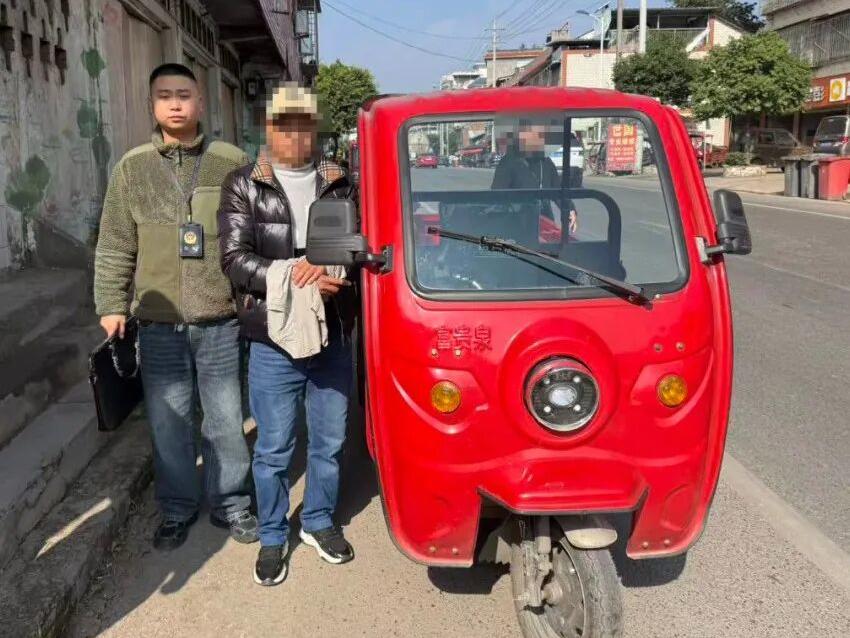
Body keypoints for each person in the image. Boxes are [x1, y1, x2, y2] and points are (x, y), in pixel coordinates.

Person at [94, 63, 257, 551]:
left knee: (225, 418)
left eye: (183, 94)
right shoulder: (132, 168)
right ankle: (178, 508)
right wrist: (111, 302)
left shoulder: (230, 161)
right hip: (158, 323)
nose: (175, 103)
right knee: (169, 423)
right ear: (152, 105)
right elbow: (115, 243)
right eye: (164, 95)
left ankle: (232, 503)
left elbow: (253, 232)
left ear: (201, 102)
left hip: (219, 319)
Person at [218, 84, 357, 586]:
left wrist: (336, 270)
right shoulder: (244, 184)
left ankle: (317, 521)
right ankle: (274, 534)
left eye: (304, 123)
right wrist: (297, 275)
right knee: (274, 446)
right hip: (272, 337)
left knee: (330, 439)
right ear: (269, 127)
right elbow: (234, 259)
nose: (294, 134)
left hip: (332, 332)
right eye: (284, 123)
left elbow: (358, 245)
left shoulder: (339, 181)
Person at [492, 119, 578, 237]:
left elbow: (558, 191)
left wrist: (570, 209)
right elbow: (496, 197)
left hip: (544, 224)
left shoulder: (546, 162)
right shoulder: (508, 162)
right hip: (517, 226)